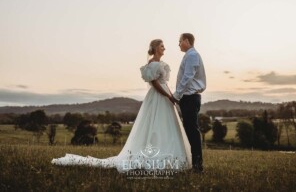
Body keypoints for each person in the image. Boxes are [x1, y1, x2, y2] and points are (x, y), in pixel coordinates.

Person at [52, 39, 192, 172]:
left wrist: (172, 96)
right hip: (157, 96)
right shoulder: (151, 64)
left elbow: (164, 83)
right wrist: (167, 95)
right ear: (155, 48)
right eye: (162, 46)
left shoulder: (162, 64)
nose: (164, 48)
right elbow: (155, 84)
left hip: (166, 95)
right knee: (153, 123)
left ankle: (169, 152)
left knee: (166, 123)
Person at [172, 33, 206, 173]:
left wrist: (176, 95)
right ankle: (194, 163)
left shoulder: (192, 55)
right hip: (188, 98)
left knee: (192, 130)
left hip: (190, 98)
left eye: (179, 41)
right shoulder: (189, 55)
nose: (179, 44)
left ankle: (198, 166)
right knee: (190, 130)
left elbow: (187, 77)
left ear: (186, 41)